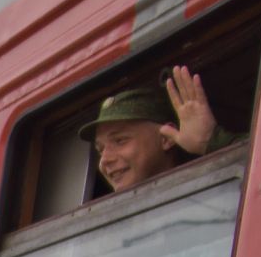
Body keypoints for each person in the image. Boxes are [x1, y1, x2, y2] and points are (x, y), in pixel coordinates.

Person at [81, 65, 239, 193]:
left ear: (166, 139)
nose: (105, 160)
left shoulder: (213, 189)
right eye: (100, 149)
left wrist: (211, 141)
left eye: (120, 140)